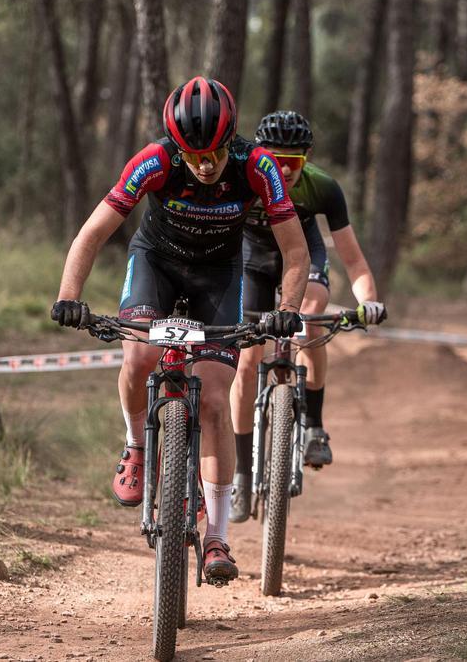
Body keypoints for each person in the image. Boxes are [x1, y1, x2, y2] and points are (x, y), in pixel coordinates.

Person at [50, 77, 309, 584]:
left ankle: (216, 537)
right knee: (138, 357)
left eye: (214, 152)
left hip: (219, 274)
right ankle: (136, 447)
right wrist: (68, 297)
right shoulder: (155, 160)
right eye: (194, 154)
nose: (206, 164)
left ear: (230, 140)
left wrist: (288, 307)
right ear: (176, 145)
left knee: (214, 397)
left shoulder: (258, 166)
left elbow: (295, 252)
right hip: (157, 263)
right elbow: (93, 232)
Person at [228, 111, 387, 523]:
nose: (283, 170)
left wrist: (369, 301)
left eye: (293, 163)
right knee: (247, 361)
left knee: (311, 316)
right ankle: (243, 473)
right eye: (275, 160)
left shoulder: (323, 189)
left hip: (304, 255)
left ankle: (314, 425)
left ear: (307, 159)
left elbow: (354, 261)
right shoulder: (243, 179)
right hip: (251, 261)